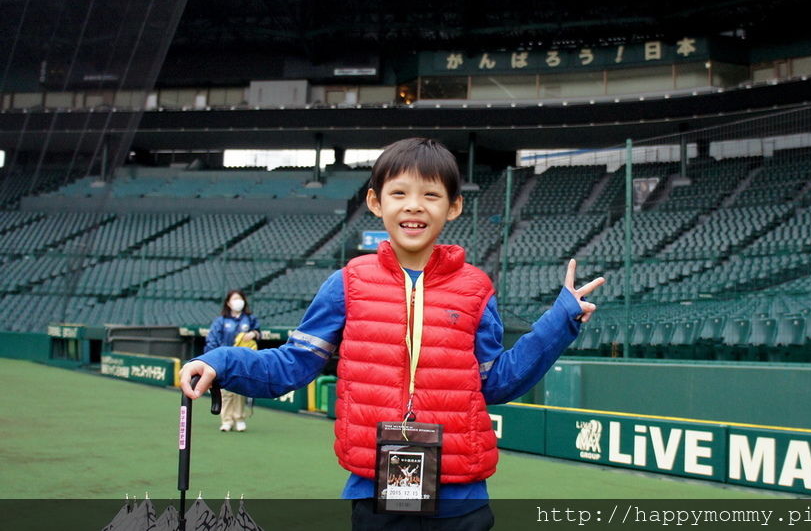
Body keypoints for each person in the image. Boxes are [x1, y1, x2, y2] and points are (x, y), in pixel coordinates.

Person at [180, 137, 604, 529]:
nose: (414, 206)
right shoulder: (347, 282)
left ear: (453, 207)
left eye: (431, 195)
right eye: (399, 193)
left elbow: (496, 380)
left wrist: (559, 321)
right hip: (376, 489)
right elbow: (292, 364)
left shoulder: (476, 287)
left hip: (462, 495)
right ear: (375, 202)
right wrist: (220, 360)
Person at [204, 289, 261, 432]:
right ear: (228, 303)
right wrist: (212, 358)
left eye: (240, 298)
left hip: (242, 360)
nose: (238, 302)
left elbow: (259, 332)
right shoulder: (221, 321)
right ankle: (227, 420)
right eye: (234, 299)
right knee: (225, 392)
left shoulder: (249, 319)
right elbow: (212, 340)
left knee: (240, 390)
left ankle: (239, 418)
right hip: (225, 360)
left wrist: (253, 333)